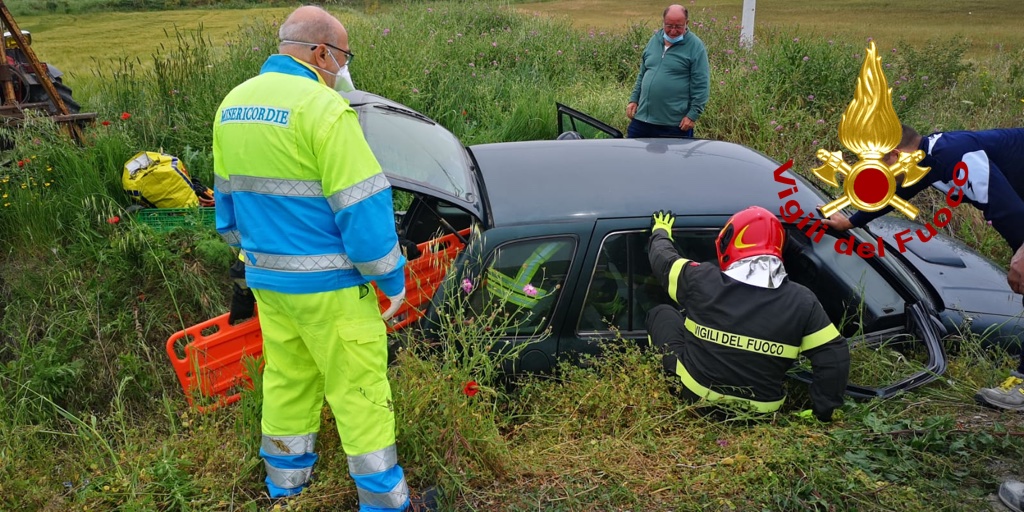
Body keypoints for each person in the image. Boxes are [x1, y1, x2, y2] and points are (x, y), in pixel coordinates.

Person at [213, 6, 434, 511]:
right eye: (343, 57)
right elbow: (362, 207)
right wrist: (391, 278)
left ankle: (285, 489)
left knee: (288, 381)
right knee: (359, 393)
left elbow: (226, 207)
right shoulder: (325, 109)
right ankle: (386, 503)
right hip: (331, 289)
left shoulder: (233, 104)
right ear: (320, 53)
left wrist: (262, 255)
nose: (342, 69)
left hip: (268, 283)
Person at [821, 124, 1024, 411]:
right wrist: (851, 221)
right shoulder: (926, 158)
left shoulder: (958, 158)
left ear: (894, 155)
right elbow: (899, 191)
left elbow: (1011, 211)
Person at [646, 207, 850, 420]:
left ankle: (666, 385)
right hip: (761, 414)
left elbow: (663, 259)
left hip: (696, 398)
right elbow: (834, 356)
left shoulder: (701, 279)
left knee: (661, 313)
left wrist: (660, 231)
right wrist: (821, 414)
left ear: (730, 242)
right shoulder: (803, 301)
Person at [626, 4, 710, 139]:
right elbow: (642, 74)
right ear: (663, 22)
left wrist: (692, 115)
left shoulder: (695, 46)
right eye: (669, 26)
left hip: (674, 125)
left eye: (678, 27)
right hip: (642, 121)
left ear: (687, 23)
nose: (673, 31)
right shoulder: (654, 40)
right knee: (632, 152)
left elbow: (701, 85)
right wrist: (633, 100)